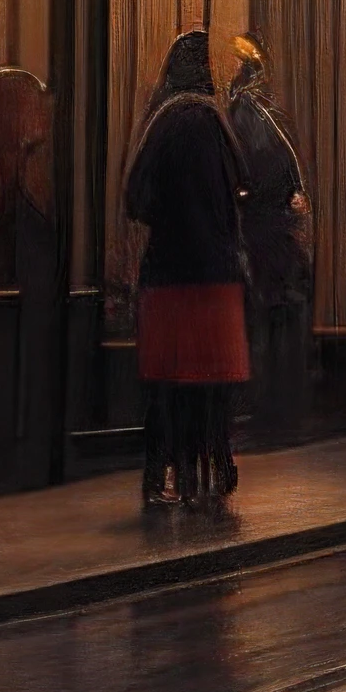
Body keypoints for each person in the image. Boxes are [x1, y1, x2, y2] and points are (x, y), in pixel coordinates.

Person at [123, 30, 249, 512]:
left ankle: (160, 475)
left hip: (168, 275)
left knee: (167, 382)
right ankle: (211, 468)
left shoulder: (162, 124)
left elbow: (136, 199)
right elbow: (241, 187)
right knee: (209, 383)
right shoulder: (216, 125)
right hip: (214, 278)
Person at [226, 39, 313, 427]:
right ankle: (282, 403)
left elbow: (262, 166)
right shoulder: (264, 110)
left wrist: (249, 197)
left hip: (264, 224)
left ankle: (270, 404)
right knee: (281, 311)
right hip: (276, 224)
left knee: (268, 312)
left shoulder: (245, 110)